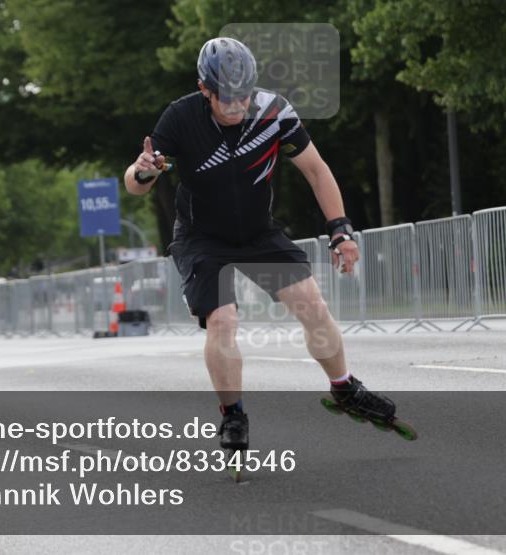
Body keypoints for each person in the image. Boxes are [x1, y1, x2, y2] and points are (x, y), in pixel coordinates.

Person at [124, 37, 398, 452]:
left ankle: (344, 387)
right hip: (202, 238)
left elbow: (317, 171)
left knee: (312, 302)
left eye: (243, 98)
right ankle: (232, 416)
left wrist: (340, 229)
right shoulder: (180, 119)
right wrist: (143, 171)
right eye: (226, 100)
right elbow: (136, 185)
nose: (236, 108)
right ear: (205, 90)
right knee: (223, 320)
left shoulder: (274, 112)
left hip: (257, 231)